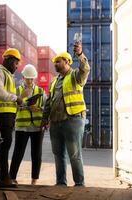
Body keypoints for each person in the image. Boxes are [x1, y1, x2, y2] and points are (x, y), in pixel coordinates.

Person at [42, 42, 90, 187]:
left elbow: (85, 70)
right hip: (56, 122)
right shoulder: (54, 81)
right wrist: (45, 119)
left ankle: (79, 184)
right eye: (55, 62)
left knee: (74, 155)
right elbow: (49, 102)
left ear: (67, 62)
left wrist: (80, 55)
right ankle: (61, 182)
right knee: (58, 154)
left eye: (58, 61)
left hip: (72, 120)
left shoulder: (75, 75)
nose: (55, 64)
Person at [0, 48, 30, 187]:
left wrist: (21, 103)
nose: (17, 67)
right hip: (1, 114)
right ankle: (4, 179)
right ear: (9, 59)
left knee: (3, 144)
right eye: (16, 63)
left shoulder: (7, 75)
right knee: (5, 144)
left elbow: (8, 98)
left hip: (8, 114)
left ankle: (0, 177)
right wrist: (16, 98)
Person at [9, 64, 46, 185]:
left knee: (36, 154)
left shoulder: (40, 91)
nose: (29, 81)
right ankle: (12, 177)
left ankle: (34, 179)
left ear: (34, 78)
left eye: (31, 78)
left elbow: (46, 107)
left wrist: (39, 108)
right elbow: (12, 106)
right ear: (23, 77)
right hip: (22, 126)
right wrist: (23, 101)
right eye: (27, 78)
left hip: (37, 126)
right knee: (18, 152)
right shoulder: (18, 91)